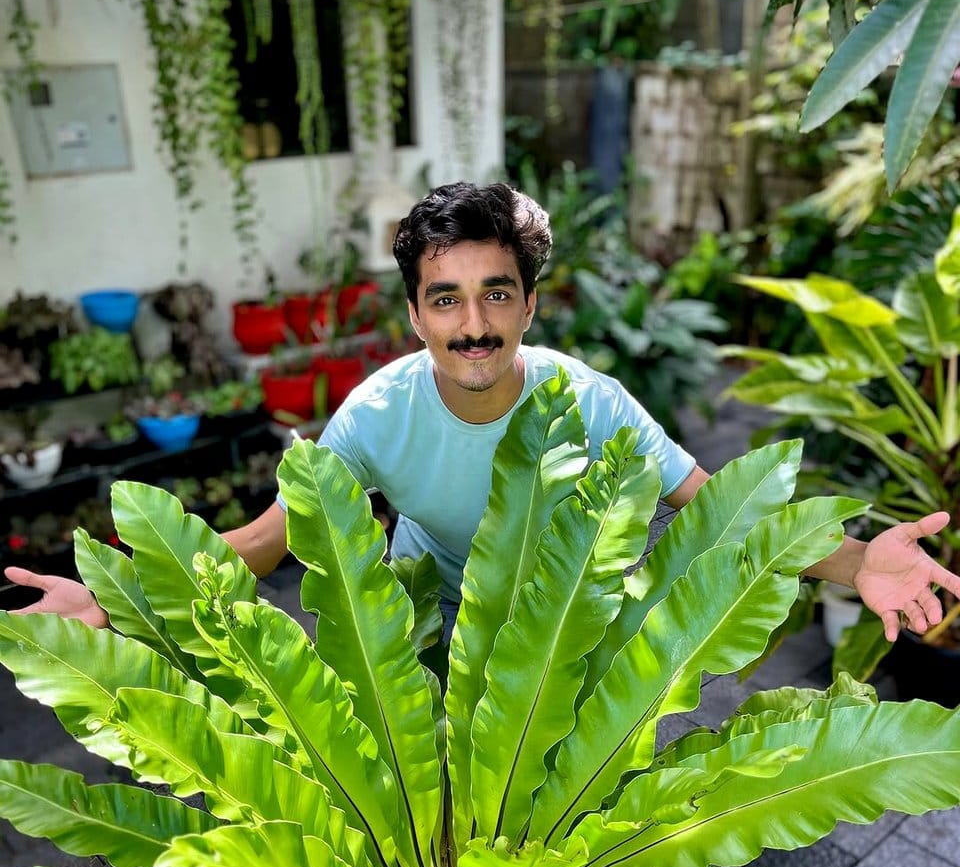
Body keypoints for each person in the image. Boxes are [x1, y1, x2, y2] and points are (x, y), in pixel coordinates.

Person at [5, 181, 960, 645]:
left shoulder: (586, 400)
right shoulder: (375, 415)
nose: (474, 325)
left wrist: (857, 558)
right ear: (415, 313)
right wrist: (123, 596)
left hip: (561, 624)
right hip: (431, 624)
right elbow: (267, 542)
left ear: (530, 305)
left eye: (497, 294)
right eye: (447, 299)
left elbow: (717, 507)